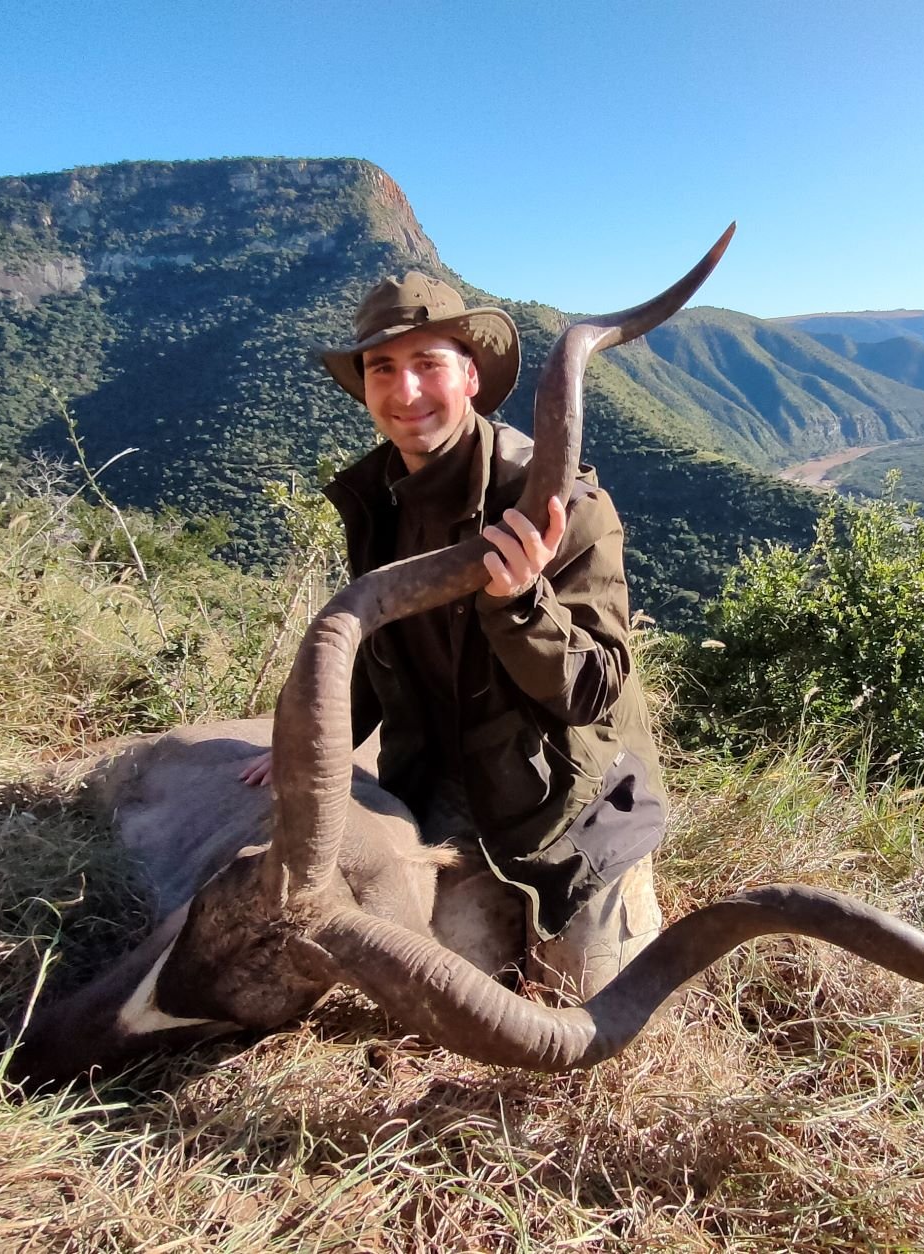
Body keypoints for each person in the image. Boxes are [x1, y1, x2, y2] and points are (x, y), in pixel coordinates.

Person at [241, 270, 665, 997]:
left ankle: (628, 887)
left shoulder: (569, 503)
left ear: (470, 376)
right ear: (365, 386)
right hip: (445, 781)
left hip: (575, 801)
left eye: (427, 364)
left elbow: (594, 691)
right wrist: (316, 738)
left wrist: (521, 603)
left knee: (585, 1003)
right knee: (435, 986)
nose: (405, 394)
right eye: (383, 369)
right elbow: (379, 651)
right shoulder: (375, 499)